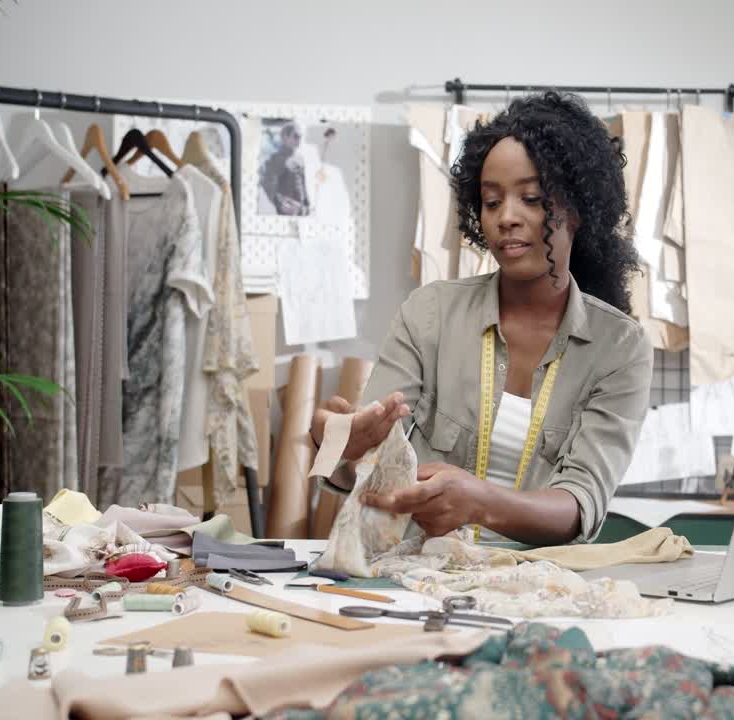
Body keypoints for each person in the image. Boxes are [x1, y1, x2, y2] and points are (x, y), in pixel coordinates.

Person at [310, 93, 650, 546]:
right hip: (417, 579)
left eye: (530, 198)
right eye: (491, 202)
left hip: (539, 588)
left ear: (578, 206)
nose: (506, 217)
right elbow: (373, 467)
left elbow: (580, 502)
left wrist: (481, 501)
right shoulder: (428, 314)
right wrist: (341, 446)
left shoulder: (619, 348)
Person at [260, 121, 310, 215]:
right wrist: (281, 204)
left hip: (301, 210)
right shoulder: (275, 159)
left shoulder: (300, 158)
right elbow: (268, 186)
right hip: (287, 211)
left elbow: (303, 184)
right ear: (285, 137)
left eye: (300, 137)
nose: (298, 140)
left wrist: (307, 204)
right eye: (295, 136)